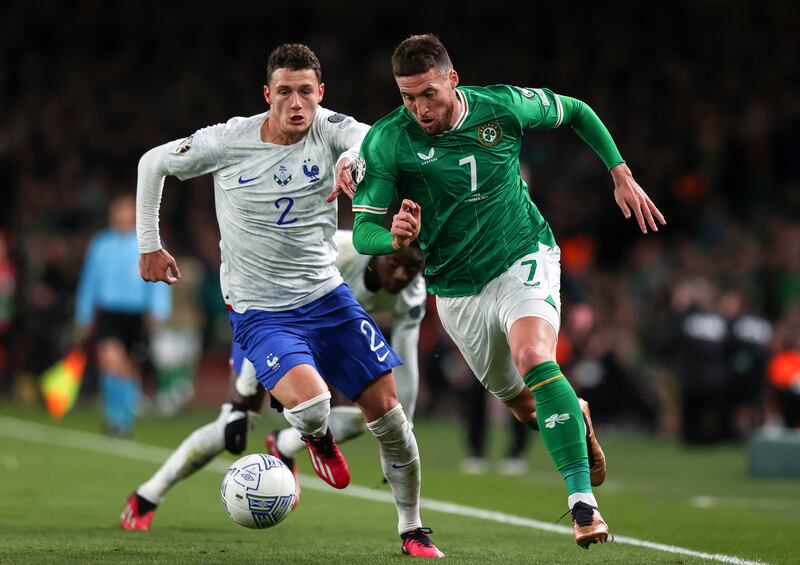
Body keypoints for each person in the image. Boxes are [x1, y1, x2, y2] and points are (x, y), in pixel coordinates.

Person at [352, 34, 665, 549]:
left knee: (534, 356)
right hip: (455, 290)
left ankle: (582, 504)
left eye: (428, 93)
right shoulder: (389, 139)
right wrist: (394, 238)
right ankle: (575, 414)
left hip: (523, 255)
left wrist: (620, 172)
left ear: (452, 80)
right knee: (523, 405)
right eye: (407, 97)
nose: (419, 108)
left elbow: (578, 111)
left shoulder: (501, 105)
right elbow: (364, 228)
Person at [132, 44, 443, 557]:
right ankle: (314, 438)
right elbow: (152, 163)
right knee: (306, 404)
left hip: (326, 297)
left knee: (391, 418)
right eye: (284, 92)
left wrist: (352, 157)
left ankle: (411, 529)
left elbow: (367, 138)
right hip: (259, 311)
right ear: (267, 95)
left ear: (320, 93)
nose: (296, 103)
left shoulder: (329, 128)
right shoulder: (228, 140)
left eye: (306, 92)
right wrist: (148, 244)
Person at [121, 231, 426, 530]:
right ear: (377, 254)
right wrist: (250, 387)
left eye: (411, 269)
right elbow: (275, 301)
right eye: (394, 263)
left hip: (328, 332)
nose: (401, 275)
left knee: (377, 414)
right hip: (268, 315)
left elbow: (405, 359)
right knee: (233, 426)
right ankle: (147, 496)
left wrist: (405, 429)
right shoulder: (338, 253)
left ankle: (285, 442)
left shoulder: (412, 294)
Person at [75, 194, 171, 436]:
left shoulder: (150, 243)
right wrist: (83, 314)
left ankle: (125, 419)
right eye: (119, 211)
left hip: (137, 313)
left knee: (129, 367)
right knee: (110, 360)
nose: (123, 216)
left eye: (128, 211)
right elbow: (89, 281)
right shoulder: (101, 244)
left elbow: (159, 276)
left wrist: (158, 309)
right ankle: (114, 417)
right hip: (110, 312)